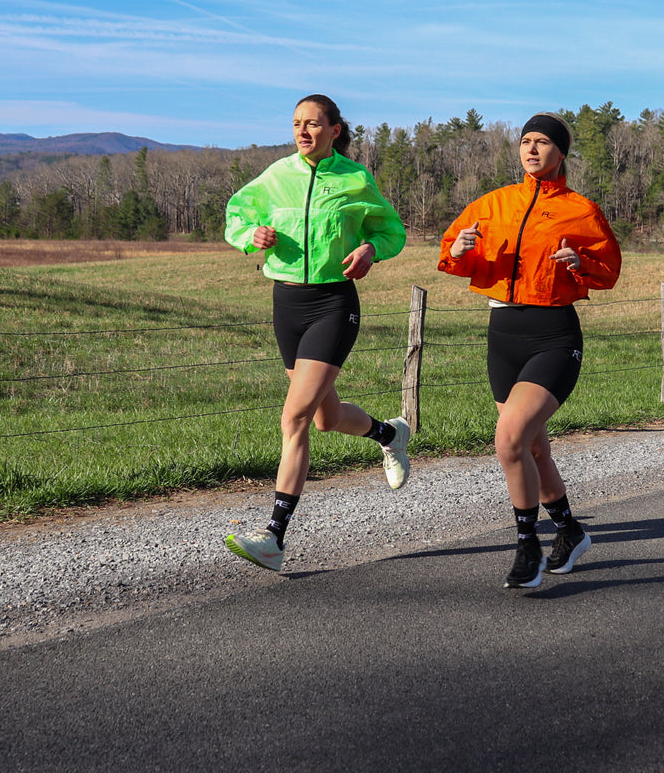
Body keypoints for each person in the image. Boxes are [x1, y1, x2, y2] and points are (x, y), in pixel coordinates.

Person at [222, 94, 410, 573]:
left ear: (334, 130)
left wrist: (371, 249)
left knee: (295, 417)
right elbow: (236, 213)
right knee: (324, 418)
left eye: (312, 124)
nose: (303, 131)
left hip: (333, 303)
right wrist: (251, 236)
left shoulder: (354, 178)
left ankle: (273, 537)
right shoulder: (276, 175)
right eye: (296, 124)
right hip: (286, 303)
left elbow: (392, 231)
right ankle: (388, 433)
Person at [438, 112, 622, 588]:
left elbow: (609, 271)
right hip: (503, 334)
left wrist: (580, 261)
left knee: (510, 440)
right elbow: (451, 255)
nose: (532, 149)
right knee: (533, 445)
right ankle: (570, 531)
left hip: (554, 335)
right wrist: (459, 250)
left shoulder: (580, 209)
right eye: (525, 141)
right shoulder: (494, 203)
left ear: (561, 153)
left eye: (543, 142)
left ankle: (527, 547)